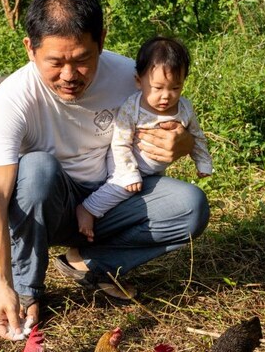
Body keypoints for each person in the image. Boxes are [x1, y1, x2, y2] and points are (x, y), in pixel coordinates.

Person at [0, 0, 210, 340]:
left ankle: (88, 262)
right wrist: (1, 285)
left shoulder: (134, 77)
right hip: (48, 208)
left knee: (190, 206)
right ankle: (26, 291)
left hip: (113, 199)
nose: (69, 75)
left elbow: (180, 124)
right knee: (38, 168)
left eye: (82, 59)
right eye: (55, 62)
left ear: (101, 40)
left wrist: (182, 142)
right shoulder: (13, 97)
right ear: (30, 48)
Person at [76, 36, 213, 241]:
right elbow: (120, 141)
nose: (166, 96)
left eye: (175, 87)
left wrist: (203, 161)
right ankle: (87, 209)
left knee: (145, 194)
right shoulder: (134, 107)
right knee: (122, 188)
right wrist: (129, 172)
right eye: (157, 88)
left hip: (154, 169)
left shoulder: (185, 109)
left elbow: (197, 136)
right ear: (139, 81)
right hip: (125, 161)